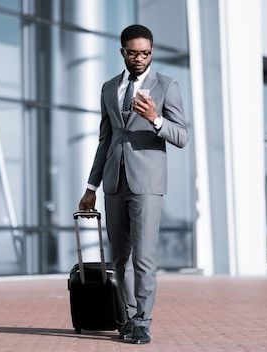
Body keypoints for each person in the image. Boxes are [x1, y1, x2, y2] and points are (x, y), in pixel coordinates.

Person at [78, 24, 189, 344]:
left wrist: (156, 119)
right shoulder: (109, 87)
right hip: (114, 182)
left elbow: (181, 137)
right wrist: (91, 187)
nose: (140, 58)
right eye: (134, 52)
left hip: (148, 184)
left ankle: (143, 320)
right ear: (123, 52)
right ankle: (126, 319)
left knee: (144, 257)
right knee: (120, 258)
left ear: (151, 52)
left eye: (146, 53)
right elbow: (105, 140)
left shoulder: (167, 85)